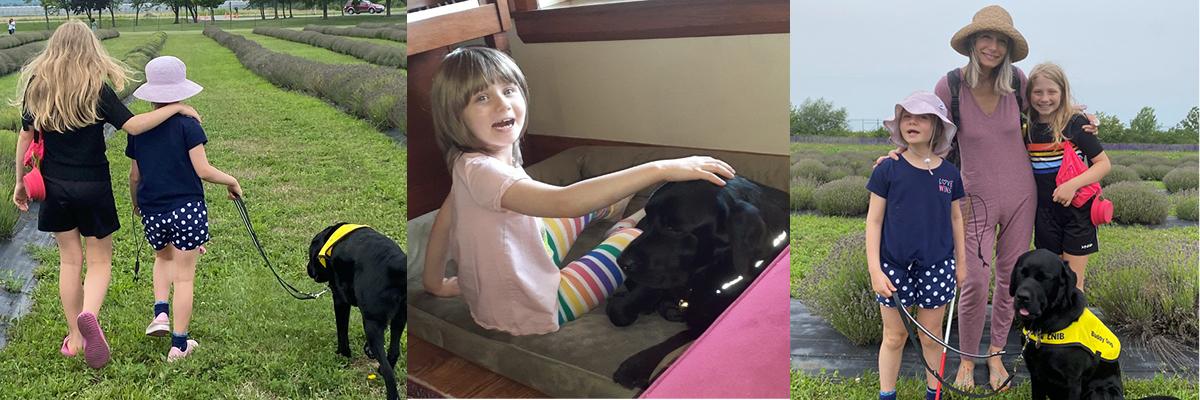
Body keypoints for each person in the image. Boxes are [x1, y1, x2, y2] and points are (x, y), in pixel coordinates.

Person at [420, 47, 735, 335]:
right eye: (481, 98)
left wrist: (434, 283)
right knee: (631, 242)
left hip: (519, 264)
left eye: (508, 90)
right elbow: (563, 202)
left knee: (592, 200)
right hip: (533, 309)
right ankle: (626, 226)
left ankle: (612, 205)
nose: (503, 103)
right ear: (454, 116)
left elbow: (444, 224)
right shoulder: (485, 172)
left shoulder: (465, 163)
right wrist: (661, 168)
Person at [11, 20, 200, 369]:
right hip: (93, 186)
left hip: (54, 187)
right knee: (99, 262)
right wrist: (174, 107)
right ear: (90, 49)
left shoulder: (38, 88)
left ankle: (76, 337)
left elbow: (25, 138)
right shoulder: (95, 88)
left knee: (69, 261)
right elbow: (133, 126)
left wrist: (20, 183)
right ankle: (89, 314)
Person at [126, 56, 241, 361]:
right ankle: (179, 345)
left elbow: (134, 176)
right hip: (187, 209)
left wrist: (137, 204)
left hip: (152, 210)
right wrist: (232, 181)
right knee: (185, 277)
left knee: (162, 258)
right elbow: (203, 170)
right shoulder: (188, 125)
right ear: (182, 90)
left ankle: (160, 313)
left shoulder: (137, 130)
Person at [867, 92, 967, 400]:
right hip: (893, 267)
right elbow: (874, 221)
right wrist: (875, 269)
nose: (913, 121)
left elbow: (955, 219)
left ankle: (932, 393)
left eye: (922, 117)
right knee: (894, 336)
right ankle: (888, 394)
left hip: (937, 266)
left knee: (931, 337)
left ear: (936, 126)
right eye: (907, 116)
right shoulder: (888, 169)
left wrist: (961, 265)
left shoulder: (949, 174)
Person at [1024, 62, 1109, 291]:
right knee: (1050, 280)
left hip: (1077, 215)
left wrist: (1072, 185)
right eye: (1038, 92)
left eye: (1052, 92)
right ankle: (1053, 328)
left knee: (1073, 283)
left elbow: (1103, 164)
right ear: (1029, 94)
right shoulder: (1026, 127)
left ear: (1063, 93)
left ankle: (1075, 326)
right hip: (1044, 215)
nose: (1044, 98)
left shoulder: (1075, 124)